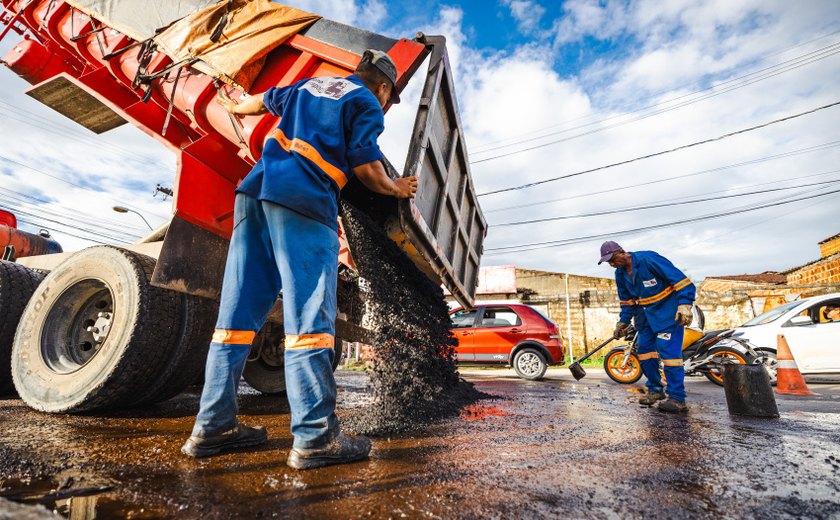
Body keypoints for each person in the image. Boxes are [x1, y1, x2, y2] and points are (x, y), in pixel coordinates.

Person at [181, 50, 418, 469]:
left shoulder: (310, 86)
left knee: (234, 321)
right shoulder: (364, 102)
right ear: (382, 88)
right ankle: (315, 437)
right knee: (310, 321)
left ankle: (212, 426)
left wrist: (230, 104)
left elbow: (257, 101)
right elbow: (366, 167)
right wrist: (396, 188)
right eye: (388, 98)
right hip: (304, 201)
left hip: (254, 195)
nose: (385, 105)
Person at [599, 241, 696, 413]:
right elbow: (627, 302)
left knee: (669, 355)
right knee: (644, 353)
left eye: (613, 259)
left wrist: (685, 304)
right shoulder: (620, 274)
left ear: (622, 252)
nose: (612, 264)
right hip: (645, 318)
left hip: (668, 314)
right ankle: (655, 390)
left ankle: (677, 398)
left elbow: (682, 282)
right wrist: (623, 321)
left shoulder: (648, 259)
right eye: (608, 262)